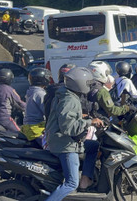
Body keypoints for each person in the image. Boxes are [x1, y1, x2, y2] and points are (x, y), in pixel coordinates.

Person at [46, 67, 103, 200]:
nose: (89, 86)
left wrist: (82, 117)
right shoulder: (70, 100)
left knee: (93, 146)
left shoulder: (66, 94)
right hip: (64, 144)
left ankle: (85, 180)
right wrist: (90, 122)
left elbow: (64, 116)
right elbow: (69, 128)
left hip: (60, 139)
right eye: (88, 83)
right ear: (80, 84)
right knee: (71, 183)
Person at [20, 68, 50, 146]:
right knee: (50, 148)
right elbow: (47, 111)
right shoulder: (40, 94)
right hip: (36, 128)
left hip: (29, 127)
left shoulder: (31, 91)